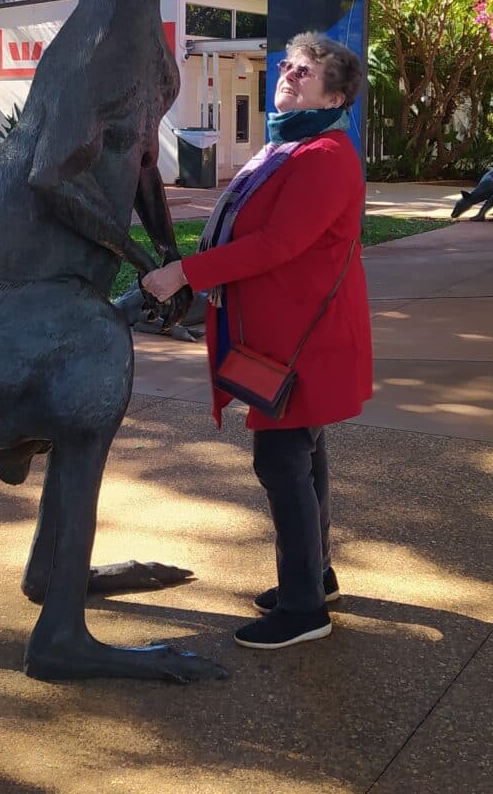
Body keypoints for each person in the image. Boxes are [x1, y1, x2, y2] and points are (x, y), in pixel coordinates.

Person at [141, 32, 372, 650]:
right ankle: (314, 577)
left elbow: (277, 245)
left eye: (307, 71)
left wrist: (183, 274)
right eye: (289, 66)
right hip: (288, 333)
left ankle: (303, 609)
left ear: (337, 92)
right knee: (304, 452)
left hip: (304, 339)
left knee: (281, 459)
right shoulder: (289, 145)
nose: (290, 76)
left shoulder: (322, 153)